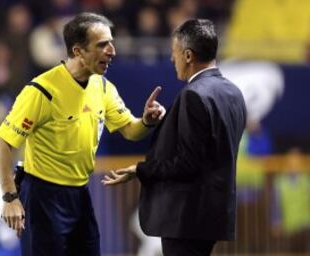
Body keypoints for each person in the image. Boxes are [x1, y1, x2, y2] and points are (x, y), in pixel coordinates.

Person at [0, 12, 166, 256]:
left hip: (80, 193)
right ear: (78, 52)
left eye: (111, 43)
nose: (112, 51)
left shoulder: (103, 86)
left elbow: (130, 130)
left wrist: (146, 121)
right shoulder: (42, 90)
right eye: (102, 45)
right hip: (43, 197)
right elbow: (2, 142)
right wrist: (10, 197)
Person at [102, 19, 247, 256]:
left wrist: (141, 170)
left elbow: (187, 163)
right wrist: (170, 118)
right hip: (213, 214)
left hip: (186, 217)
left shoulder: (193, 95)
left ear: (188, 56)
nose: (172, 59)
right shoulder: (232, 92)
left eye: (175, 53)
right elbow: (209, 145)